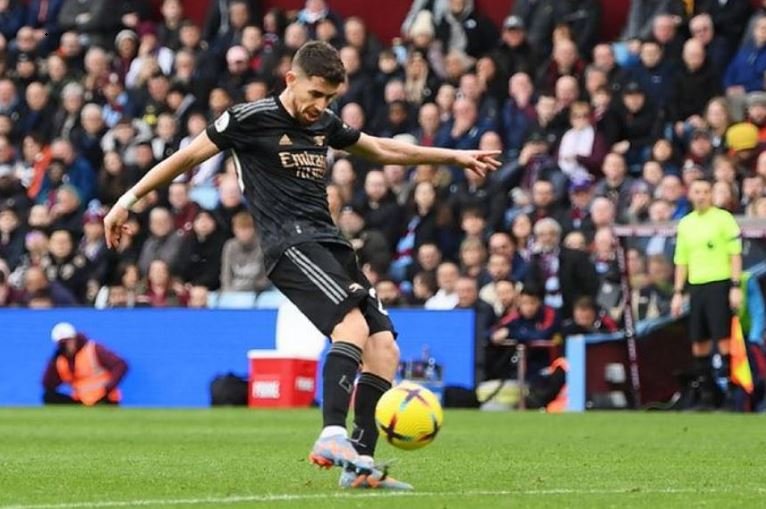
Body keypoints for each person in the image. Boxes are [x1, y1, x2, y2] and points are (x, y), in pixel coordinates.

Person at [104, 41, 499, 490]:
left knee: (384, 347)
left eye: (329, 98)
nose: (320, 106)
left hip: (331, 244)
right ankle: (332, 434)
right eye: (315, 94)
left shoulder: (324, 124)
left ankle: (360, 467)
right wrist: (126, 202)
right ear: (291, 80)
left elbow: (382, 150)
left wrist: (455, 156)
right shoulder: (247, 118)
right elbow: (186, 158)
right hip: (289, 245)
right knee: (349, 326)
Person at [672, 178, 742, 410]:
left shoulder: (723, 219)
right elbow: (681, 260)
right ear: (690, 194)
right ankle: (706, 395)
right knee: (698, 341)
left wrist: (734, 286)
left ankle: (732, 395)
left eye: (705, 191)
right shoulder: (685, 224)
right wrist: (678, 292)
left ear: (711, 194)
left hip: (719, 284)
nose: (701, 196)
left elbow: (735, 254)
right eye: (697, 191)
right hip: (696, 286)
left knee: (722, 338)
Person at [42, 322, 128, 406]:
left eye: (69, 341)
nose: (68, 345)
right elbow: (48, 385)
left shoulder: (93, 349)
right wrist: (52, 362)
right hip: (81, 400)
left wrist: (108, 387)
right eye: (63, 343)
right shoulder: (61, 361)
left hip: (104, 398)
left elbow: (120, 365)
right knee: (49, 397)